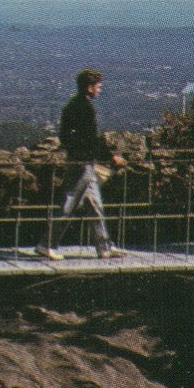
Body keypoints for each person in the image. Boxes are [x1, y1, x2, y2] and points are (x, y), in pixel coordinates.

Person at [39, 68, 127, 260]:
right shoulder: (85, 108)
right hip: (83, 163)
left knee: (95, 204)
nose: (99, 90)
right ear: (89, 88)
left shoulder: (72, 105)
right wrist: (111, 158)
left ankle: (104, 247)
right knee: (70, 202)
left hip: (79, 160)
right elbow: (92, 139)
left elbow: (65, 136)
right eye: (98, 87)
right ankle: (47, 244)